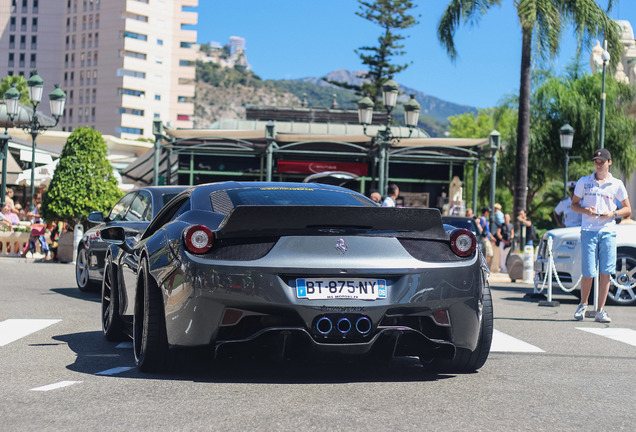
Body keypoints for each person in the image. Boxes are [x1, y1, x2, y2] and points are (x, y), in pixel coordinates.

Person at [571, 148, 631, 323]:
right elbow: (574, 205)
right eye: (596, 161)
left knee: (606, 271)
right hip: (589, 230)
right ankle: (583, 305)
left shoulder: (616, 184)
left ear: (609, 163)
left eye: (602, 161)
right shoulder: (584, 182)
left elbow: (628, 209)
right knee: (588, 271)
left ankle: (600, 310)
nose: (598, 164)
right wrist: (585, 210)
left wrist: (613, 214)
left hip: (608, 231)